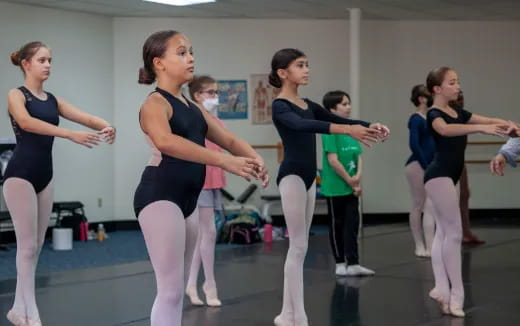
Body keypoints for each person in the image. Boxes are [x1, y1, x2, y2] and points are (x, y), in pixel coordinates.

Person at [133, 30, 268, 326]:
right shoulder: (155, 104)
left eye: (191, 51)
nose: (190, 57)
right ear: (159, 63)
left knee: (176, 290)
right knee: (168, 290)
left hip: (187, 200)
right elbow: (166, 142)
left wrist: (254, 158)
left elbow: (229, 139)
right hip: (160, 196)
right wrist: (224, 161)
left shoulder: (191, 107)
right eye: (181, 53)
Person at [269, 48, 389, 326]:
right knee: (297, 247)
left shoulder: (307, 102)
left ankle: (288, 313)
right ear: (283, 73)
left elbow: (340, 120)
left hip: (311, 177)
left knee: (302, 246)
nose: (307, 69)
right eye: (301, 65)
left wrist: (370, 125)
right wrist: (348, 131)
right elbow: (301, 125)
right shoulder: (280, 106)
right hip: (293, 176)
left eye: (308, 64)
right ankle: (295, 315)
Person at [4, 41, 116, 326]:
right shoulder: (17, 95)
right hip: (20, 175)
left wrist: (106, 125)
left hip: (45, 175)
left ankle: (19, 308)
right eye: (42, 60)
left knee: (37, 245)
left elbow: (86, 117)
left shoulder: (53, 100)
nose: (48, 65)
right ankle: (31, 313)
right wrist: (69, 134)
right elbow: (26, 123)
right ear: (26, 64)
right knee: (27, 246)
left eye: (50, 60)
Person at [424, 66, 513, 317]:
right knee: (453, 233)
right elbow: (444, 130)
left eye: (458, 81)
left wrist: (509, 124)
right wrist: (479, 129)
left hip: (447, 175)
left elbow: (488, 120)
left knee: (443, 233)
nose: (458, 86)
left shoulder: (458, 112)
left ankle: (441, 288)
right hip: (438, 175)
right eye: (452, 82)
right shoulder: (435, 113)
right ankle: (456, 295)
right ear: (437, 89)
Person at [321, 90, 376, 276]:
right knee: (337, 224)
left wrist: (356, 180)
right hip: (335, 188)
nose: (348, 107)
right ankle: (339, 263)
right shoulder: (329, 130)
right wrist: (350, 180)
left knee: (352, 225)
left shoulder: (351, 129)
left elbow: (358, 156)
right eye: (344, 104)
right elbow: (333, 160)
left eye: (348, 103)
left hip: (352, 188)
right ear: (332, 108)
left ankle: (353, 263)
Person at [185, 75, 226, 307]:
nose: (215, 97)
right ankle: (209, 283)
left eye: (216, 93)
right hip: (199, 181)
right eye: (211, 93)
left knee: (204, 235)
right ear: (198, 95)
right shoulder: (192, 119)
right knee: (207, 233)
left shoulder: (217, 122)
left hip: (214, 181)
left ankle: (192, 283)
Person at [405, 84, 436, 257]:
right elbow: (414, 145)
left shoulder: (431, 117)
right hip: (417, 165)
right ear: (421, 99)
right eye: (428, 95)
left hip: (430, 164)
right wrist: (426, 165)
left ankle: (432, 246)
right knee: (419, 204)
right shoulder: (415, 119)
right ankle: (419, 245)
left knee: (430, 205)